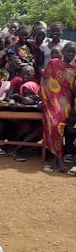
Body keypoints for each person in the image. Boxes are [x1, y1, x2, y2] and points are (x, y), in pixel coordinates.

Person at [41, 42, 75, 173]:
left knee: (59, 123)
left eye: (73, 52)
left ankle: (57, 158)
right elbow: (45, 81)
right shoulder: (53, 63)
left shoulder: (74, 68)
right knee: (54, 123)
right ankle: (59, 158)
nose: (70, 54)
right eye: (68, 51)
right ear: (63, 51)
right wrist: (46, 98)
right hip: (50, 100)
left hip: (67, 102)